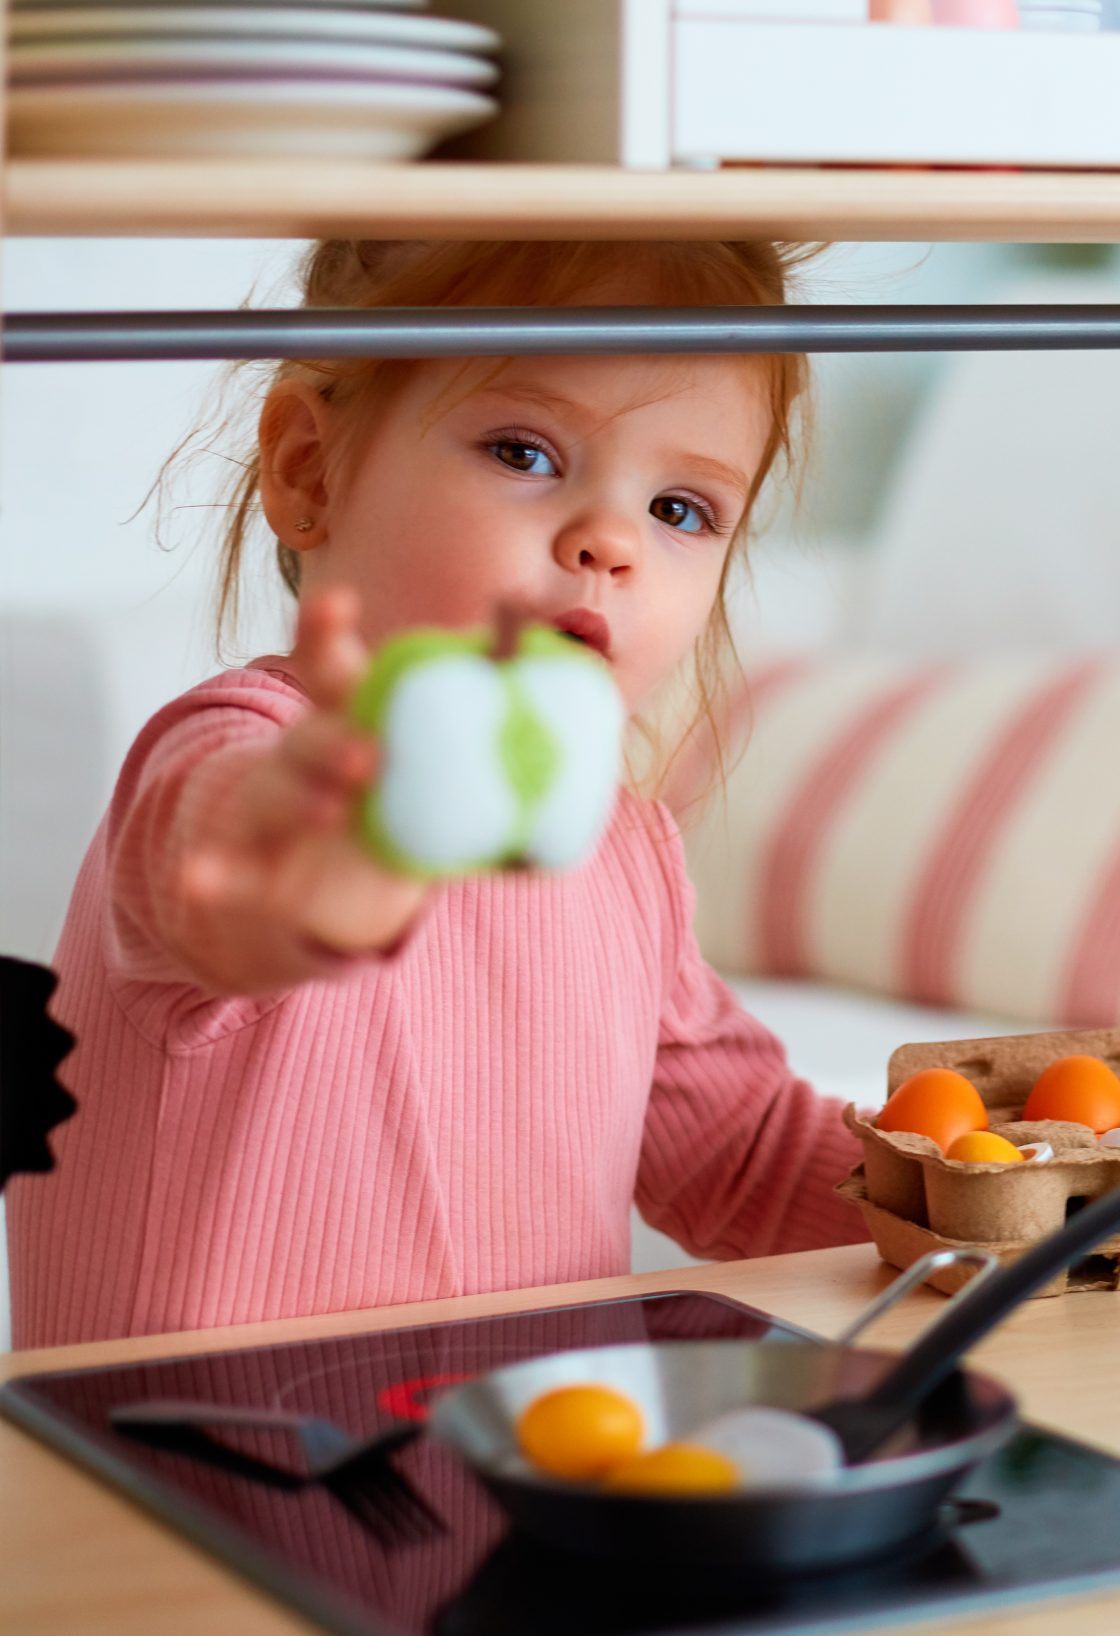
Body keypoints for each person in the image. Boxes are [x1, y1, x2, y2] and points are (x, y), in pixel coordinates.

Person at [7, 240, 866, 1348]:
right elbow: (221, 874)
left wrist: (985, 1181)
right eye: (525, 449)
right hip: (189, 1488)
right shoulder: (248, 752)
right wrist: (311, 867)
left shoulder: (621, 845)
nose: (610, 542)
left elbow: (740, 1156)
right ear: (310, 469)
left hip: (514, 1478)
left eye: (681, 509)